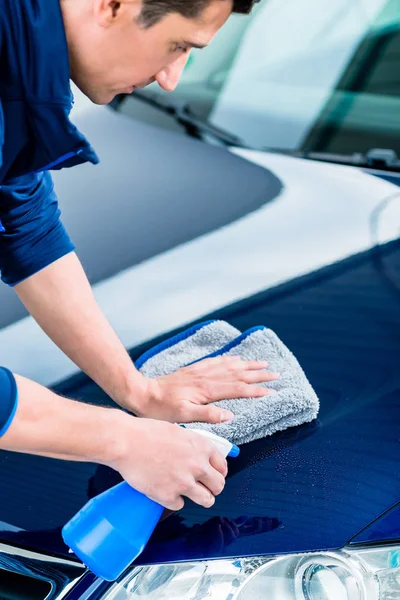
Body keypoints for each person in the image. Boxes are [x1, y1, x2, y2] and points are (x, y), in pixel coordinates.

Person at [0, 0, 277, 512]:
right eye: (178, 46)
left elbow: (23, 225)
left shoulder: (16, 65)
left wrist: (138, 391)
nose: (171, 79)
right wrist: (122, 440)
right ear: (113, 5)